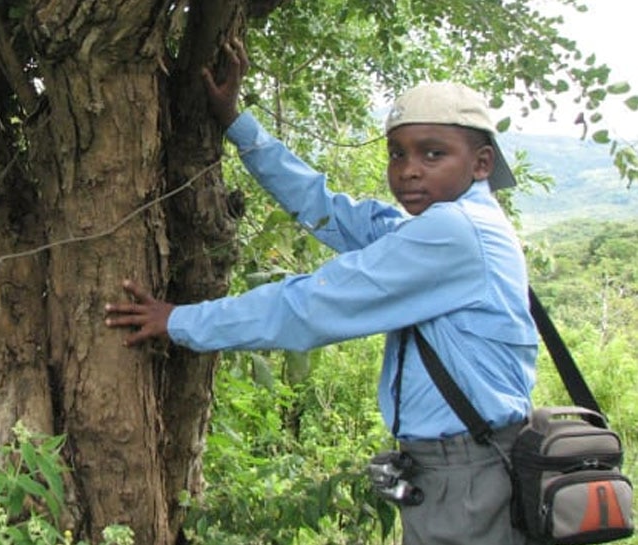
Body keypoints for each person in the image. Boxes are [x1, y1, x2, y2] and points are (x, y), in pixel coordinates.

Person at [105, 40, 538, 544]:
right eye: (398, 154)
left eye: (433, 154)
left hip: (469, 473)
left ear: (481, 163)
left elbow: (311, 306)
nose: (409, 170)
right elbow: (329, 209)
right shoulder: (440, 224)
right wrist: (235, 124)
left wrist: (179, 321)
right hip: (455, 469)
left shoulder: (455, 233)